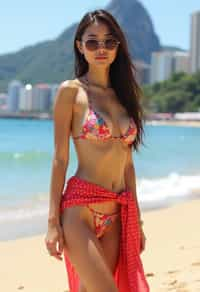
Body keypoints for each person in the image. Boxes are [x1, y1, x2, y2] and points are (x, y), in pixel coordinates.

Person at [45, 9, 150, 292]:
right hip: (80, 211)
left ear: (118, 46)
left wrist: (136, 222)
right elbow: (60, 158)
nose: (101, 48)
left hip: (117, 211)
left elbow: (127, 165)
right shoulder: (71, 92)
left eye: (108, 41)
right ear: (80, 46)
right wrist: (53, 223)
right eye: (92, 42)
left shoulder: (125, 95)